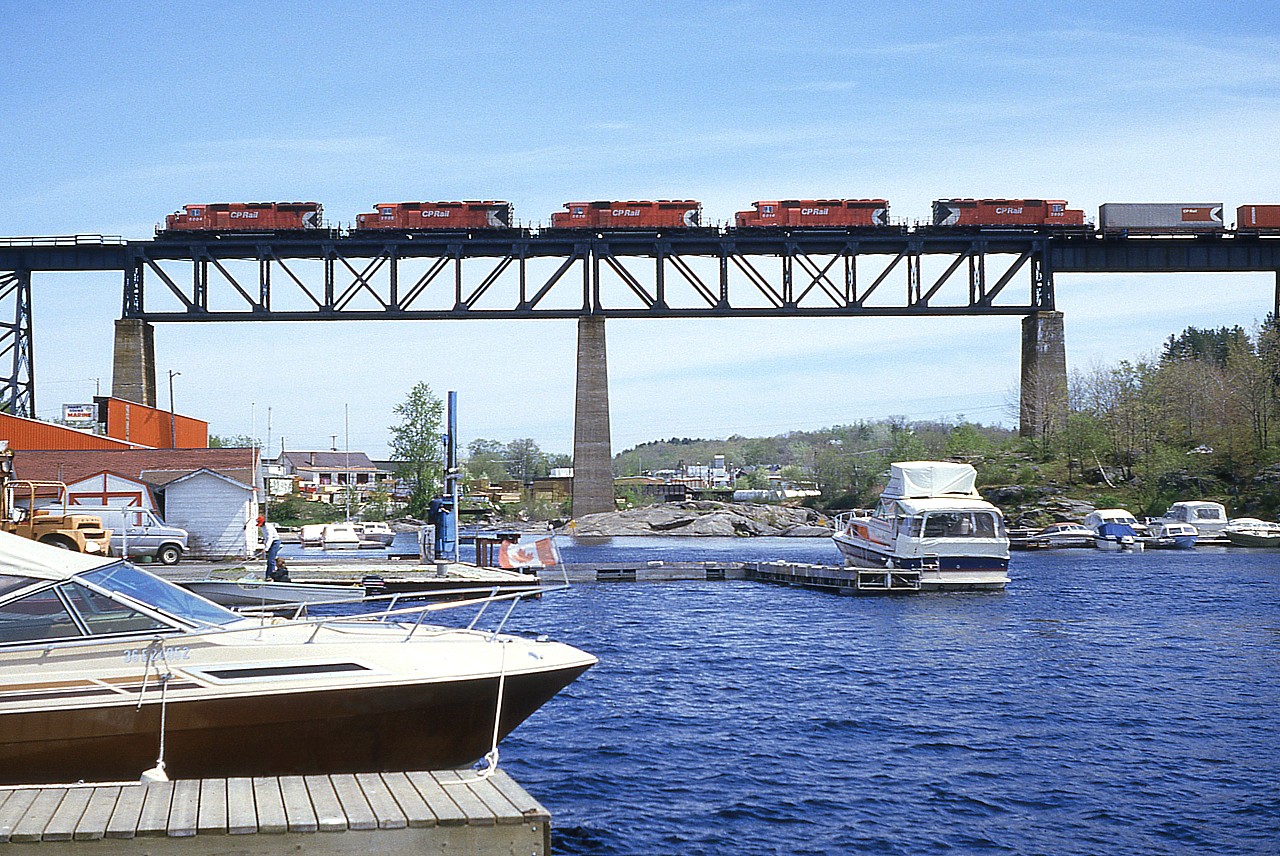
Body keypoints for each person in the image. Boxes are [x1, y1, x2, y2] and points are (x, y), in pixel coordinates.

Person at [258, 514, 281, 580]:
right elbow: (266, 538)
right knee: (269, 561)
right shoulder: (263, 527)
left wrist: (266, 548)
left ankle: (271, 576)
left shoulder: (268, 527)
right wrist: (265, 545)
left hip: (275, 542)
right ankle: (268, 576)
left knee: (271, 560)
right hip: (270, 543)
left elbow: (270, 538)